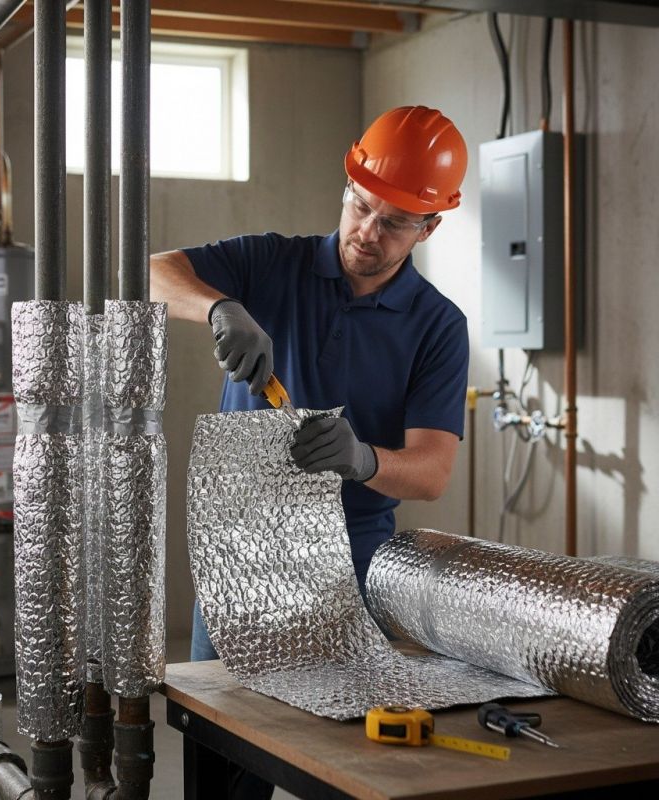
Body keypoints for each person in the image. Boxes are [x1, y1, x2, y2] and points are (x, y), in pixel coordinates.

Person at [150, 105, 469, 797]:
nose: (367, 232)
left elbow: (435, 470)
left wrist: (364, 461)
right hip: (241, 559)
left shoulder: (439, 326)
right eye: (361, 206)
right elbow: (152, 272)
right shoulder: (272, 263)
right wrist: (217, 308)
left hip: (350, 569)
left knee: (351, 765)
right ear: (347, 187)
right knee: (227, 759)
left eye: (394, 222)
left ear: (430, 226)